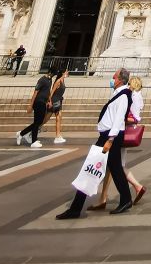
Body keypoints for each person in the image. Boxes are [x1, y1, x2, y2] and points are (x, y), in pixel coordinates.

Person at [55, 67, 133, 219]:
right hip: (109, 137)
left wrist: (110, 140)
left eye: (114, 77)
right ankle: (126, 199)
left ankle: (76, 208)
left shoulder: (123, 96)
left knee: (91, 168)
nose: (112, 79)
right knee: (115, 170)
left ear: (120, 80)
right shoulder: (118, 94)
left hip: (110, 138)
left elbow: (118, 120)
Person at [91, 74, 148, 209]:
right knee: (113, 166)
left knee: (116, 166)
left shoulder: (131, 96)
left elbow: (134, 118)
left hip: (121, 133)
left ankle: (135, 188)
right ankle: (103, 198)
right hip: (119, 131)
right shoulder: (132, 96)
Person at [16, 67, 52, 148]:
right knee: (37, 122)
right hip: (38, 102)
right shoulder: (42, 80)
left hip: (44, 102)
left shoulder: (50, 80)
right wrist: (30, 105)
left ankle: (21, 133)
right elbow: (35, 92)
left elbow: (48, 91)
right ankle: (33, 141)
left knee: (39, 122)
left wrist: (49, 101)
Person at [48, 67, 68, 144]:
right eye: (66, 71)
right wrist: (50, 101)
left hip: (59, 101)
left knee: (59, 118)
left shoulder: (63, 80)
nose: (67, 73)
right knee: (45, 119)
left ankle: (58, 136)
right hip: (54, 101)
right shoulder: (58, 81)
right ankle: (31, 131)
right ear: (63, 73)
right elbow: (52, 92)